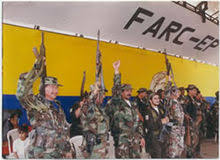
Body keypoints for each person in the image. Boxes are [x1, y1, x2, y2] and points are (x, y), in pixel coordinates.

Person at [16, 54, 73, 158]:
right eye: (51, 87)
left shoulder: (57, 106)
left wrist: (67, 149)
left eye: (56, 87)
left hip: (58, 154)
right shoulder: (34, 103)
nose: (55, 90)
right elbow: (22, 91)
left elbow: (64, 129)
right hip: (40, 154)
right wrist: (37, 68)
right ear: (42, 88)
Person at [107, 60, 145, 158]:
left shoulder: (133, 104)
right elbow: (116, 89)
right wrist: (116, 71)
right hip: (122, 140)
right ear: (121, 92)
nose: (129, 93)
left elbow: (139, 122)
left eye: (130, 91)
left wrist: (141, 136)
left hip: (135, 140)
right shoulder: (117, 103)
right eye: (127, 91)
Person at [80, 83, 109, 159]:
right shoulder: (88, 107)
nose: (104, 96)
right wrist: (93, 93)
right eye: (102, 94)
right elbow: (85, 107)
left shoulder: (100, 108)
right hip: (93, 146)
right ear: (96, 95)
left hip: (102, 145)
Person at [143, 92, 169, 158]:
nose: (157, 100)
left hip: (163, 137)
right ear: (150, 100)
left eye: (158, 98)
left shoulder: (161, 109)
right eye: (155, 98)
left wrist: (168, 119)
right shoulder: (147, 111)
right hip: (154, 139)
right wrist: (161, 122)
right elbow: (149, 126)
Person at [165, 80, 185, 158]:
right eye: (177, 92)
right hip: (174, 128)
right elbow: (167, 94)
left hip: (180, 128)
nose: (179, 93)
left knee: (180, 148)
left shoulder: (177, 102)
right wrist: (169, 83)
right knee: (173, 149)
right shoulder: (170, 101)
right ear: (173, 93)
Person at [184, 84, 202, 158]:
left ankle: (193, 154)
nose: (195, 92)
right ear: (190, 91)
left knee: (195, 139)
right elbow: (184, 111)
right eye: (194, 90)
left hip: (194, 122)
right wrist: (188, 120)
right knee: (190, 140)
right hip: (190, 123)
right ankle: (189, 155)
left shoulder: (193, 99)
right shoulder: (187, 99)